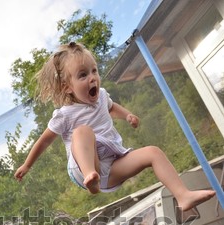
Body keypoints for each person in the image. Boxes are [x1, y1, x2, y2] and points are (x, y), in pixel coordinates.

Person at [14, 42, 215, 214]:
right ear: (68, 87)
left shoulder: (101, 95)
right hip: (82, 167)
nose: (92, 77)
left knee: (153, 152)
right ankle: (89, 175)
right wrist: (27, 165)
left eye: (94, 71)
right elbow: (45, 140)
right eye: (83, 75)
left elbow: (111, 108)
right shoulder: (65, 114)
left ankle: (183, 196)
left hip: (110, 167)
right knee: (83, 131)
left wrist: (127, 115)